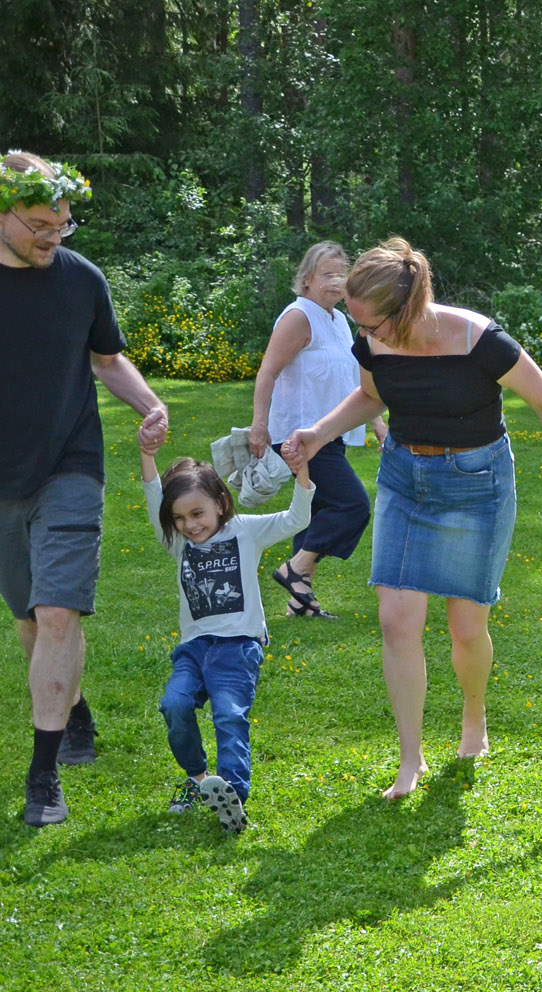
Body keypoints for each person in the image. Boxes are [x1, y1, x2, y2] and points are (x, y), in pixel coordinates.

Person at [280, 238, 542, 799]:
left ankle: (473, 715)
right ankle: (410, 759)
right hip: (405, 480)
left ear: (405, 310)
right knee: (397, 622)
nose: (366, 336)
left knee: (466, 626)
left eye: (373, 325)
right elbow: (370, 397)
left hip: (478, 486)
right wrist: (318, 433)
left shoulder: (477, 338)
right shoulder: (373, 341)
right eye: (359, 326)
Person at [0, 150, 170, 827]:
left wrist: (149, 402)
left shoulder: (81, 280)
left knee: (60, 611)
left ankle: (44, 778)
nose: (53, 237)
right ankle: (73, 709)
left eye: (63, 224)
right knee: (30, 621)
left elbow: (105, 357)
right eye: (41, 224)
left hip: (70, 462)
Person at [138, 438, 316, 831]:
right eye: (181, 518)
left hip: (238, 647)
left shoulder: (244, 532)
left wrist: (301, 471)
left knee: (229, 716)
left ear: (220, 502)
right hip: (193, 650)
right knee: (174, 705)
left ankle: (233, 795)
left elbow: (295, 520)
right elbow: (153, 498)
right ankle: (199, 778)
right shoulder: (177, 543)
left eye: (198, 513)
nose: (191, 525)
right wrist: (147, 454)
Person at [248, 240, 386, 618]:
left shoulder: (339, 321)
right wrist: (259, 425)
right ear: (306, 278)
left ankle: (300, 600)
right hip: (301, 436)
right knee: (353, 505)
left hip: (330, 433)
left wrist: (376, 422)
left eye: (342, 274)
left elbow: (352, 384)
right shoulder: (299, 316)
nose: (336, 282)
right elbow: (268, 372)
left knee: (314, 510)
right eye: (327, 274)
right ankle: (295, 568)